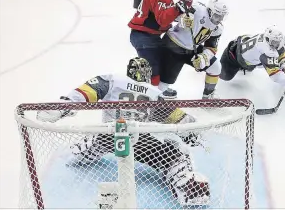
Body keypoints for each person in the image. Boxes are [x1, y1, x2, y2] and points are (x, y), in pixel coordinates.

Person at [36, 57, 210, 206]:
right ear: (148, 74)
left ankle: (75, 152)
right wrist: (191, 131)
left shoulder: (113, 80)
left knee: (78, 152)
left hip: (108, 134)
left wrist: (65, 105)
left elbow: (90, 90)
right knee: (174, 154)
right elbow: (176, 117)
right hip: (140, 139)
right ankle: (187, 186)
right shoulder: (155, 93)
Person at [128, 0, 193, 89]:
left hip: (150, 36)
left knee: (161, 63)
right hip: (144, 37)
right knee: (153, 70)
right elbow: (163, 20)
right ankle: (151, 99)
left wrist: (183, 10)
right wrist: (179, 7)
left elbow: (168, 15)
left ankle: (157, 90)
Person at [158, 0, 228, 99]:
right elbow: (173, 16)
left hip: (192, 49)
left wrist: (204, 57)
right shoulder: (197, 9)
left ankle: (208, 96)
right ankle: (157, 101)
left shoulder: (218, 28)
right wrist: (183, 19)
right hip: (173, 46)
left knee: (215, 67)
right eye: (217, 15)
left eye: (222, 16)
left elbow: (211, 47)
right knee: (163, 84)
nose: (219, 19)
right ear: (209, 10)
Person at [219, 25, 285, 99]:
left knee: (263, 61)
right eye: (274, 43)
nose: (276, 45)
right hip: (233, 56)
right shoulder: (265, 49)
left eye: (277, 42)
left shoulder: (274, 40)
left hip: (248, 57)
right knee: (224, 76)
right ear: (267, 39)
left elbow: (282, 52)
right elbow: (275, 74)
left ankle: (246, 66)